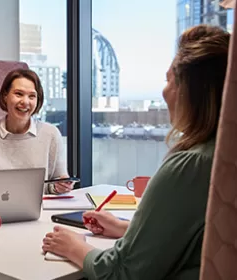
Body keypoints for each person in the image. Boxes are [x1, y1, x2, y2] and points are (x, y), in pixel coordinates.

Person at [42, 24, 230, 279]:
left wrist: (74, 247)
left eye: (169, 80)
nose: (164, 92)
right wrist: (127, 229)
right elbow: (197, 240)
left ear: (192, 91)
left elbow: (122, 272)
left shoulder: (191, 165)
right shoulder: (222, 156)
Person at [0, 69, 73, 194]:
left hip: (44, 211)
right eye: (18, 94)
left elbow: (56, 184)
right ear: (5, 97)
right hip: (0, 211)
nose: (25, 102)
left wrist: (60, 186)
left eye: (32, 96)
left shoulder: (51, 134)